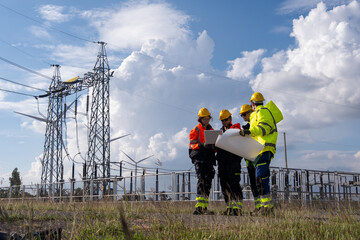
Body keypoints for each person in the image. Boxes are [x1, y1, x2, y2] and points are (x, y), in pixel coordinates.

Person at [239, 92, 278, 215]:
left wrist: (249, 131)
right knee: (263, 178)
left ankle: (266, 208)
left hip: (263, 149)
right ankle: (267, 207)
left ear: (252, 103)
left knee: (260, 179)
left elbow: (263, 128)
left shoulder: (262, 112)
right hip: (261, 150)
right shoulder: (259, 113)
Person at [189, 107, 216, 215]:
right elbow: (191, 145)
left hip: (209, 159)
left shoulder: (212, 130)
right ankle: (199, 207)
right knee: (202, 181)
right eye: (204, 119)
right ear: (200, 119)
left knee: (208, 182)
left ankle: (204, 207)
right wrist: (201, 145)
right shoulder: (195, 130)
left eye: (208, 118)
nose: (206, 120)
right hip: (200, 159)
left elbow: (215, 145)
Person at [217, 109, 244, 216]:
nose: (224, 122)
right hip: (222, 163)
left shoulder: (236, 129)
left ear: (230, 119)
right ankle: (229, 208)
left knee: (234, 185)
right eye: (222, 120)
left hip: (233, 162)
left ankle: (237, 209)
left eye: (225, 119)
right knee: (225, 185)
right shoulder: (219, 133)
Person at [239, 104, 261, 213]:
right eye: (241, 115)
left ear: (250, 112)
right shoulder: (246, 128)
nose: (243, 117)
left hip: (257, 159)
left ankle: (263, 207)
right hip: (249, 161)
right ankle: (258, 207)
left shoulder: (254, 126)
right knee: (253, 184)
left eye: (244, 114)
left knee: (259, 183)